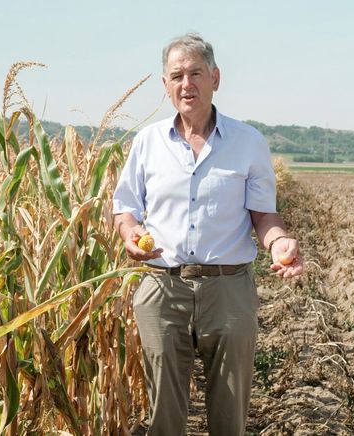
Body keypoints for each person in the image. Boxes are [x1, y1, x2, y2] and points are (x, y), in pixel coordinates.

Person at [113, 33, 303, 435]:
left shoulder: (248, 142)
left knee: (229, 413)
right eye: (177, 75)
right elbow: (125, 208)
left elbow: (263, 215)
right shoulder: (148, 142)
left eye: (196, 73)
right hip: (162, 286)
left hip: (228, 288)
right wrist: (130, 233)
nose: (187, 84)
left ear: (216, 78)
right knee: (164, 412)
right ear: (165, 85)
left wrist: (278, 241)